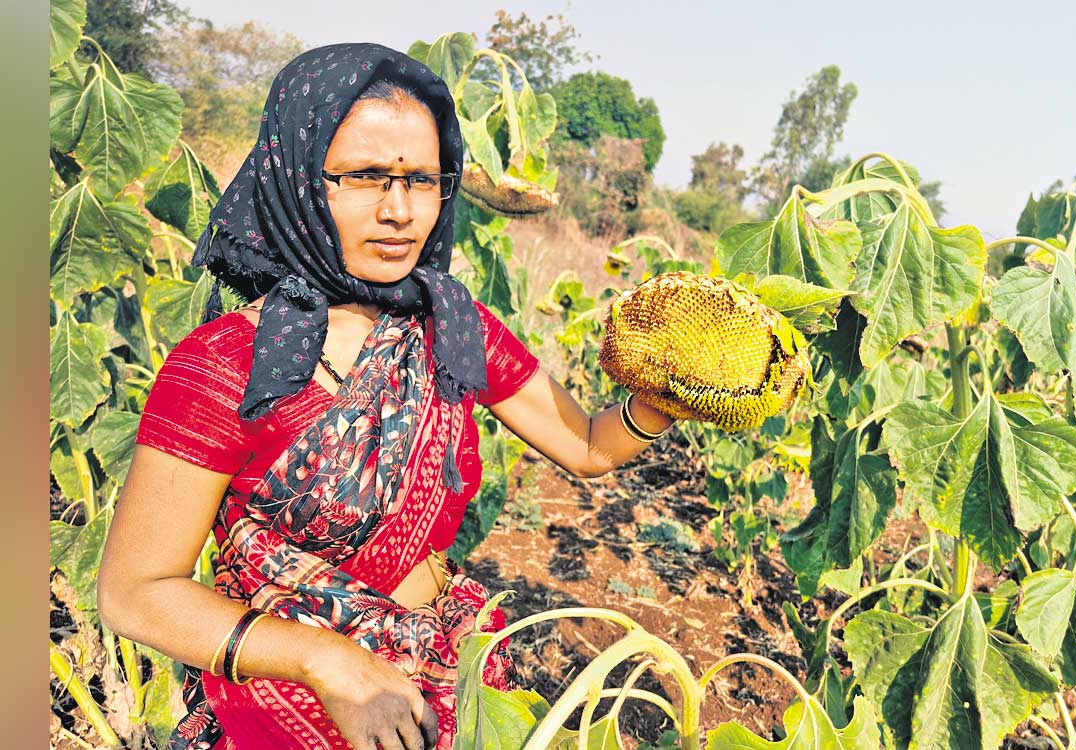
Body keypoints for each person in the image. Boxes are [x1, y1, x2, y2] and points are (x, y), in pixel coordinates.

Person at [97, 43, 677, 750]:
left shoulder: (453, 329)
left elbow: (587, 446)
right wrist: (332, 664)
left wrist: (673, 392)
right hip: (289, 698)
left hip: (442, 675)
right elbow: (135, 592)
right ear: (302, 177)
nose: (400, 211)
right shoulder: (221, 366)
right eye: (367, 177)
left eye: (424, 181)